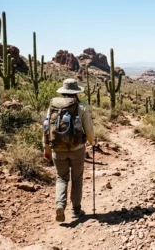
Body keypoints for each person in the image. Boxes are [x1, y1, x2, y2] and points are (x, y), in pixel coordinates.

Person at [43, 78, 95, 222]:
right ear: (76, 92)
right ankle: (76, 210)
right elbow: (89, 129)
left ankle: (60, 205)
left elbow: (46, 128)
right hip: (77, 148)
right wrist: (92, 142)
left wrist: (46, 148)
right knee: (76, 178)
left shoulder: (53, 106)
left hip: (57, 149)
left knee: (61, 178)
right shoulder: (82, 106)